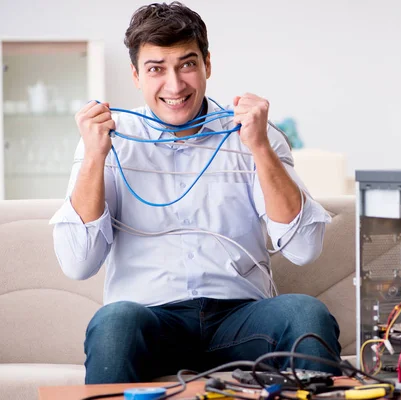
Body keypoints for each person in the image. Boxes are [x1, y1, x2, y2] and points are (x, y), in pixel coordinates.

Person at [50, 1, 341, 384]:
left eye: (187, 64)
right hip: (150, 320)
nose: (174, 85)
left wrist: (260, 149)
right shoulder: (108, 142)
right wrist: (94, 157)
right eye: (156, 69)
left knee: (306, 314)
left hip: (240, 320)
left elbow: (303, 250)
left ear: (207, 64)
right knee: (115, 321)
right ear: (136, 76)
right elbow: (78, 264)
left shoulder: (255, 134)